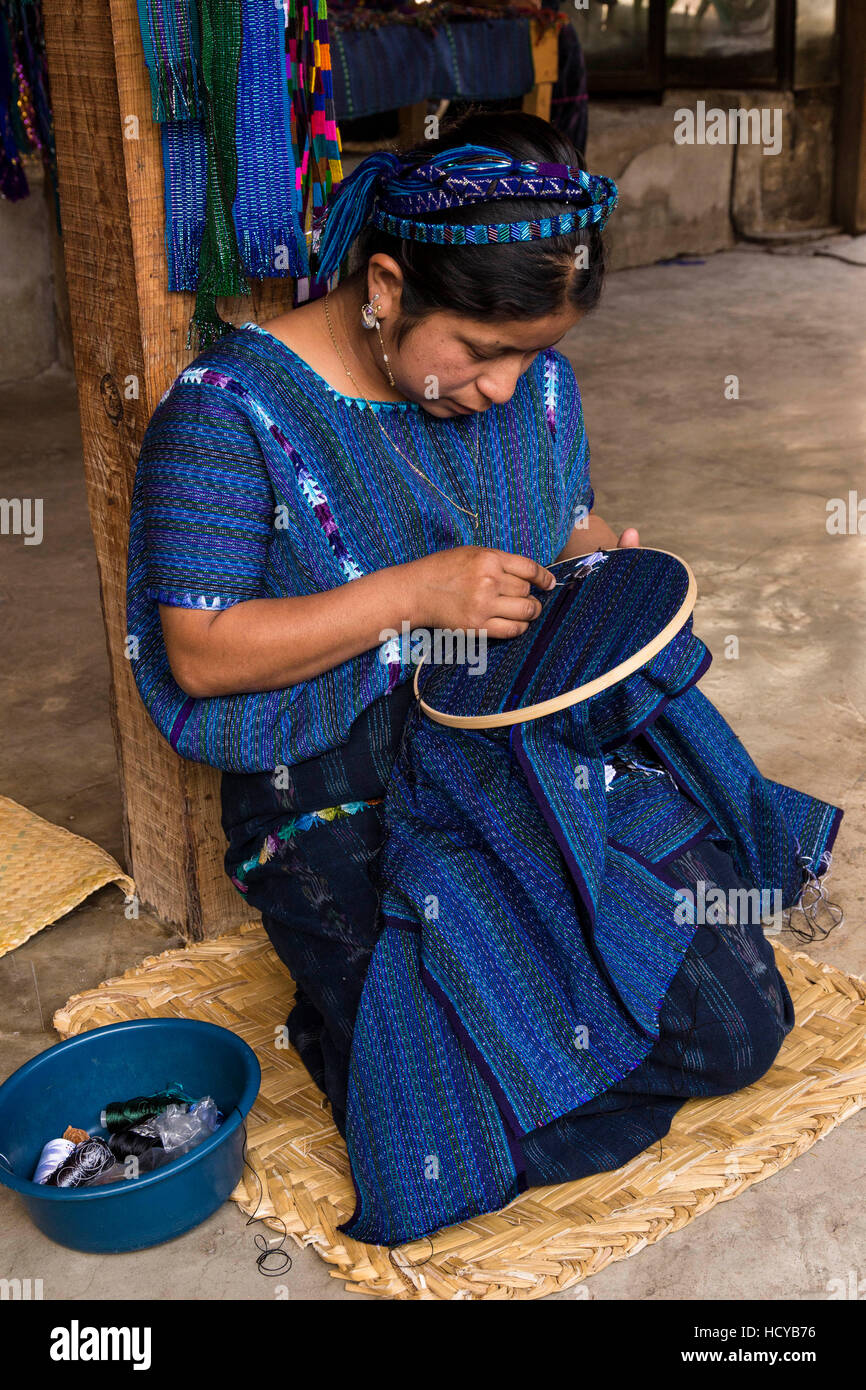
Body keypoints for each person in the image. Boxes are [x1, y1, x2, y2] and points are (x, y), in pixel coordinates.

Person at [127, 110, 834, 1238]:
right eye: (481, 350)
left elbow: (552, 517)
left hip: (517, 747)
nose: (506, 388)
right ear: (386, 284)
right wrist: (412, 595)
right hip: (331, 787)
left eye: (530, 354)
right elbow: (201, 653)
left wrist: (603, 552)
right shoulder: (227, 413)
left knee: (733, 1025)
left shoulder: (535, 390)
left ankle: (401, 1020)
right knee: (447, 1118)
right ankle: (356, 1026)